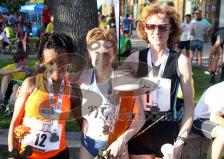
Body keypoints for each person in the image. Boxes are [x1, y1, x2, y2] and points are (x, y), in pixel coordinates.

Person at [121, 3, 194, 159]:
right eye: (151, 26)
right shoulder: (135, 59)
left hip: (168, 134)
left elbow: (189, 108)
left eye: (163, 27)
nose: (156, 31)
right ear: (144, 28)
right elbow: (110, 83)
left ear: (171, 29)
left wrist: (181, 140)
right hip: (140, 133)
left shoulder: (181, 61)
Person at [75, 28, 145, 159]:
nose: (101, 58)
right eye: (96, 53)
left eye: (106, 53)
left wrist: (122, 140)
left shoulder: (126, 81)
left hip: (116, 146)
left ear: (114, 54)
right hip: (88, 143)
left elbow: (140, 118)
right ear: (89, 54)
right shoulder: (82, 79)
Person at [8, 32, 76, 159]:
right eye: (51, 62)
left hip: (59, 154)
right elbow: (15, 123)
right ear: (42, 61)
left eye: (62, 61)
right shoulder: (31, 84)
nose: (57, 67)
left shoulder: (71, 88)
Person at [192, 81, 224, 159]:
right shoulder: (221, 91)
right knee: (223, 133)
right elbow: (214, 118)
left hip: (215, 118)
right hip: (199, 120)